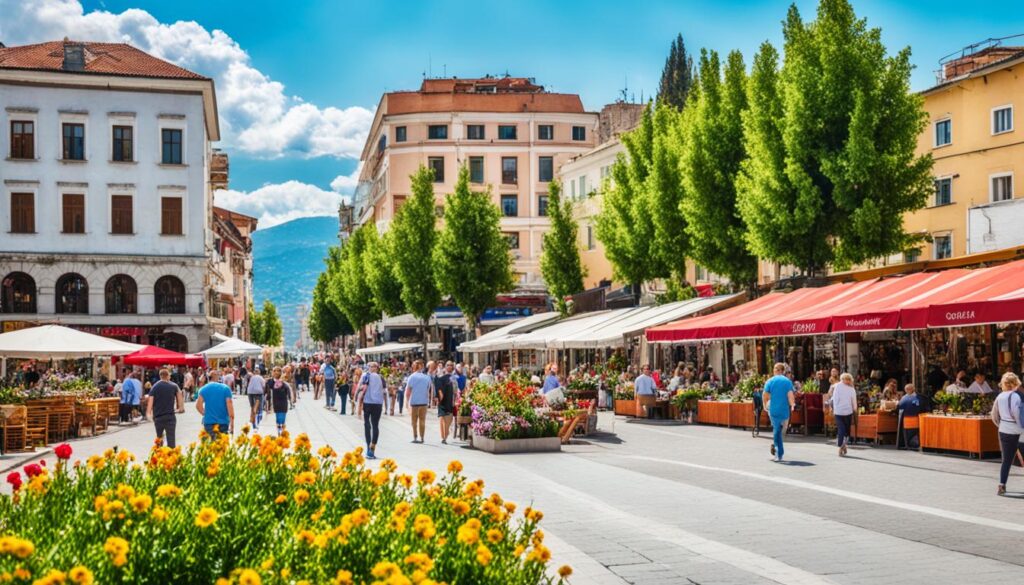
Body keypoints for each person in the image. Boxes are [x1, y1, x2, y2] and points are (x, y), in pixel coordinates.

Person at [991, 372, 1023, 496]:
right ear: (1015, 383)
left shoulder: (1000, 396)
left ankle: (1002, 485)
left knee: (1006, 460)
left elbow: (993, 415)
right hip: (1018, 431)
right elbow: (1017, 414)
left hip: (1004, 430)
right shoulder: (1016, 396)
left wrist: (1001, 425)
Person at [763, 363, 795, 462]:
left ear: (775, 370)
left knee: (776, 431)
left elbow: (765, 395)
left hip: (773, 409)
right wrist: (792, 405)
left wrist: (765, 406)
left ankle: (778, 452)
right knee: (781, 432)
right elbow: (790, 395)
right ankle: (778, 451)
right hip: (784, 410)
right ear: (783, 371)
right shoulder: (787, 382)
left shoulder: (770, 381)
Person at [147, 368, 184, 447]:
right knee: (171, 440)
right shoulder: (174, 386)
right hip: (170, 417)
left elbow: (150, 404)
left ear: (160, 376)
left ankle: (159, 456)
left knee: (159, 439)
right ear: (168, 376)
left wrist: (149, 415)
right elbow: (180, 399)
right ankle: (171, 457)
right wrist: (180, 409)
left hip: (158, 418)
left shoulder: (154, 387)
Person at [358, 362, 386, 459]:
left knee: (368, 424)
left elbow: (360, 387)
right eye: (370, 366)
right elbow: (384, 391)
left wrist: (358, 396)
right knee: (373, 425)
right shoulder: (380, 377)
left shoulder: (365, 375)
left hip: (369, 402)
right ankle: (371, 448)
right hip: (377, 403)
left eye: (373, 366)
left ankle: (369, 448)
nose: (371, 368)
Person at [196, 369, 234, 439]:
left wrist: (205, 413)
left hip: (209, 422)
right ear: (217, 377)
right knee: (222, 446)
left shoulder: (203, 389)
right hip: (223, 423)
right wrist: (232, 425)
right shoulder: (225, 388)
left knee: (211, 446)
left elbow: (198, 406)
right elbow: (229, 406)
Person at [405, 360, 433, 444]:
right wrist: (430, 402)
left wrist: (406, 401)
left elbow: (408, 391)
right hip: (424, 402)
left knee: (414, 421)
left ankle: (415, 437)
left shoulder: (411, 377)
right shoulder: (427, 377)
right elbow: (429, 390)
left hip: (414, 402)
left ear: (414, 367)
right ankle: (422, 437)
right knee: (422, 420)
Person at [831, 373, 858, 457]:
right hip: (839, 412)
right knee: (842, 429)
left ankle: (844, 445)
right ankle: (840, 446)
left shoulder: (851, 389)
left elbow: (854, 400)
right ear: (842, 379)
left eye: (848, 379)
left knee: (846, 431)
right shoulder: (838, 386)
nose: (846, 381)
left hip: (847, 412)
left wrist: (855, 410)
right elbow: (835, 399)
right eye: (845, 379)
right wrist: (834, 409)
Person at [267, 366, 295, 435]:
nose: (276, 372)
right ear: (272, 373)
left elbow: (290, 392)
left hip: (283, 403)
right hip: (275, 403)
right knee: (278, 419)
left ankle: (281, 433)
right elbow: (267, 393)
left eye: (278, 371)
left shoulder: (285, 383)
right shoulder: (270, 382)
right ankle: (279, 433)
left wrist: (291, 401)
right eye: (275, 371)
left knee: (282, 419)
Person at [436, 361, 457, 444]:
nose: (449, 366)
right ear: (445, 366)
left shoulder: (453, 377)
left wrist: (455, 399)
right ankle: (443, 437)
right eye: (447, 365)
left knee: (449, 419)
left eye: (451, 365)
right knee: (442, 419)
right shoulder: (441, 375)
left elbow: (455, 389)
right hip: (442, 400)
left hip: (450, 400)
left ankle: (445, 435)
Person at [898, 384, 922, 448]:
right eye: (906, 389)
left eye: (909, 389)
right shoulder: (904, 397)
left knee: (914, 434)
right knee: (907, 434)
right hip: (906, 421)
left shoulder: (918, 397)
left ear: (913, 389)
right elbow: (900, 406)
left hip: (915, 420)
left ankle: (913, 444)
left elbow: (918, 407)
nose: (907, 390)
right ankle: (908, 445)